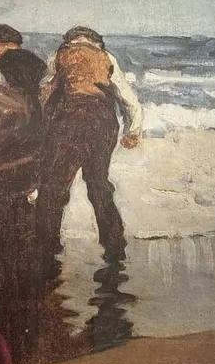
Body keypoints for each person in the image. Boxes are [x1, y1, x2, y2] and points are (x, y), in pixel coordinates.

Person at [35, 26, 143, 264]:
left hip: (70, 119)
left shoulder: (59, 55)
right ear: (97, 42)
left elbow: (45, 91)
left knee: (54, 184)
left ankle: (47, 244)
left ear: (69, 40)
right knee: (98, 183)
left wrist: (42, 127)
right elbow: (128, 99)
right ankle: (114, 244)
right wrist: (133, 130)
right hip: (102, 121)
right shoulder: (107, 58)